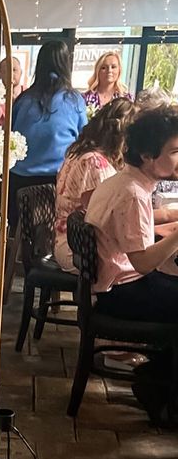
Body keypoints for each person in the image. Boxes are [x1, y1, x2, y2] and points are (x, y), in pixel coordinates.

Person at [85, 105, 178, 323]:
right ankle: (161, 357)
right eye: (175, 152)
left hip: (116, 284)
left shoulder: (125, 182)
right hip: (119, 292)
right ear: (146, 155)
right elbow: (143, 264)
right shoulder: (132, 194)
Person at [8, 40, 87, 229]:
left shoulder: (23, 99)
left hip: (18, 183)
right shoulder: (74, 101)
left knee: (19, 231)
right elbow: (84, 140)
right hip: (57, 184)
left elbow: (10, 135)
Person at [54, 98, 138, 272]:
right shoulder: (94, 163)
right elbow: (99, 217)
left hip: (71, 240)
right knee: (147, 268)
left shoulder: (81, 152)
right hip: (77, 250)